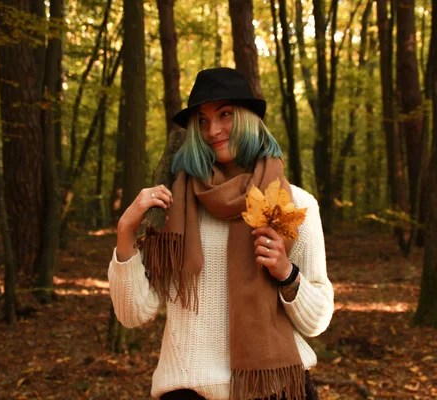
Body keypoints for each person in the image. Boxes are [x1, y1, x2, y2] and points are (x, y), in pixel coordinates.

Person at [108, 67, 334, 400]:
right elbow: (133, 314)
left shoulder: (294, 203)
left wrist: (286, 274)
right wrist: (126, 232)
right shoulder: (175, 205)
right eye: (201, 120)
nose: (213, 130)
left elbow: (317, 322)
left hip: (276, 390)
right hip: (188, 388)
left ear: (248, 117)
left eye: (224, 114)